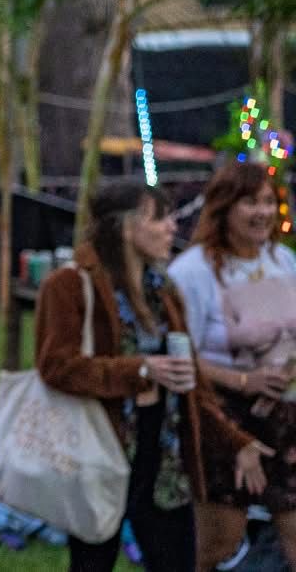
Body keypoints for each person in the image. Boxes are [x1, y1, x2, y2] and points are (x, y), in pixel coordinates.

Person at [39, 181, 266, 572]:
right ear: (126, 227)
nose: (172, 227)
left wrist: (237, 442)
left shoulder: (162, 290)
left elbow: (190, 382)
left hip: (163, 459)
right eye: (159, 218)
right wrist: (141, 369)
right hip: (102, 451)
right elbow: (57, 365)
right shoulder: (71, 284)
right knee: (92, 563)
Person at [168, 163, 296, 566]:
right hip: (222, 421)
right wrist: (244, 380)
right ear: (223, 207)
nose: (262, 212)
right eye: (249, 202)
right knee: (220, 546)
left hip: (285, 420)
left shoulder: (284, 261)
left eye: (267, 201)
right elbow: (178, 358)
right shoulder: (192, 272)